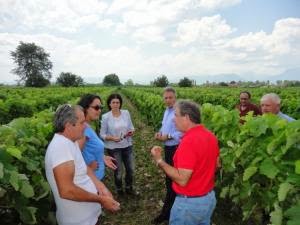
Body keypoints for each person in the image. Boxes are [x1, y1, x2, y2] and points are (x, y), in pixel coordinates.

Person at [45, 104, 120, 225]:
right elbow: (66, 191)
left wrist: (101, 187)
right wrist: (101, 200)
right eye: (82, 122)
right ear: (69, 125)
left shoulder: (71, 142)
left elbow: (84, 168)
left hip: (89, 218)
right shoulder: (60, 149)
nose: (85, 126)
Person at [150, 100, 220, 225]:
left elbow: (182, 179)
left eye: (176, 115)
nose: (173, 119)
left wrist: (159, 160)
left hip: (189, 206)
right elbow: (217, 166)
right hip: (208, 199)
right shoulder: (210, 136)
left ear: (186, 117)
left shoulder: (189, 141)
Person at [152, 87, 182, 224]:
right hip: (169, 148)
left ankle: (168, 213)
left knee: (173, 181)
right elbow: (165, 127)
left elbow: (183, 132)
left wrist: (168, 136)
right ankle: (169, 211)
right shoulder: (167, 111)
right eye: (166, 98)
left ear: (175, 97)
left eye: (170, 97)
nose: (168, 100)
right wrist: (160, 133)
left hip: (177, 148)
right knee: (169, 180)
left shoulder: (179, 112)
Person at [100, 93, 136, 195]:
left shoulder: (126, 113)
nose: (116, 104)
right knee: (119, 171)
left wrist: (131, 132)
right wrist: (112, 138)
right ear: (109, 104)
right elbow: (102, 134)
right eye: (113, 102)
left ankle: (129, 187)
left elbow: (131, 127)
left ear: (120, 103)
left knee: (131, 169)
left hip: (127, 145)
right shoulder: (106, 117)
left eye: (118, 102)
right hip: (113, 147)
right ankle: (119, 189)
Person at [77, 94, 117, 181]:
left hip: (96, 176)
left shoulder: (87, 126)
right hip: (92, 180)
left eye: (101, 107)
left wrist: (102, 157)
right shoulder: (83, 130)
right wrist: (86, 168)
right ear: (85, 108)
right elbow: (74, 155)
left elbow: (87, 150)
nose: (99, 111)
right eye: (96, 107)